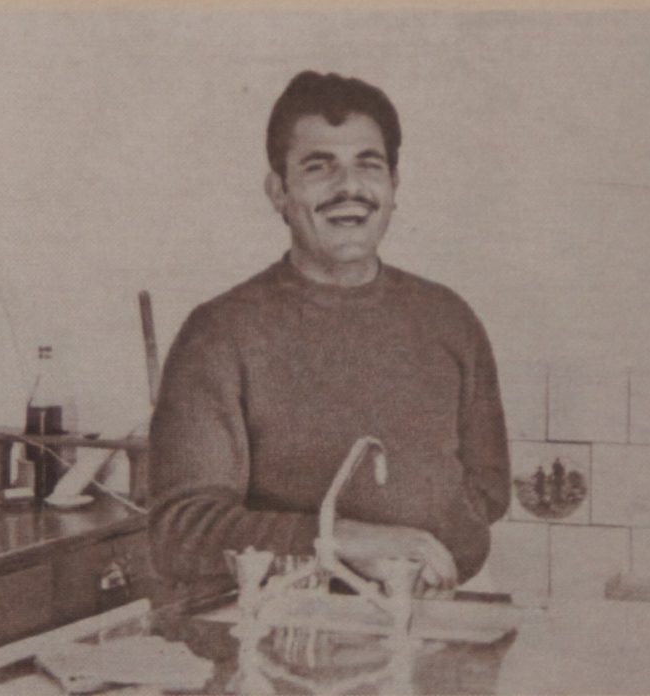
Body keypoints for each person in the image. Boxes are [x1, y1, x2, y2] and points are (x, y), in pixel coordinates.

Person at [148, 70, 510, 602]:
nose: (350, 187)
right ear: (279, 191)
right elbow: (181, 531)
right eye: (319, 167)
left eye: (369, 164)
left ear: (394, 186)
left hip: (430, 619)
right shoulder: (219, 334)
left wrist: (426, 558)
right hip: (281, 634)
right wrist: (333, 540)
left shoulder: (449, 319)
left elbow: (489, 489)